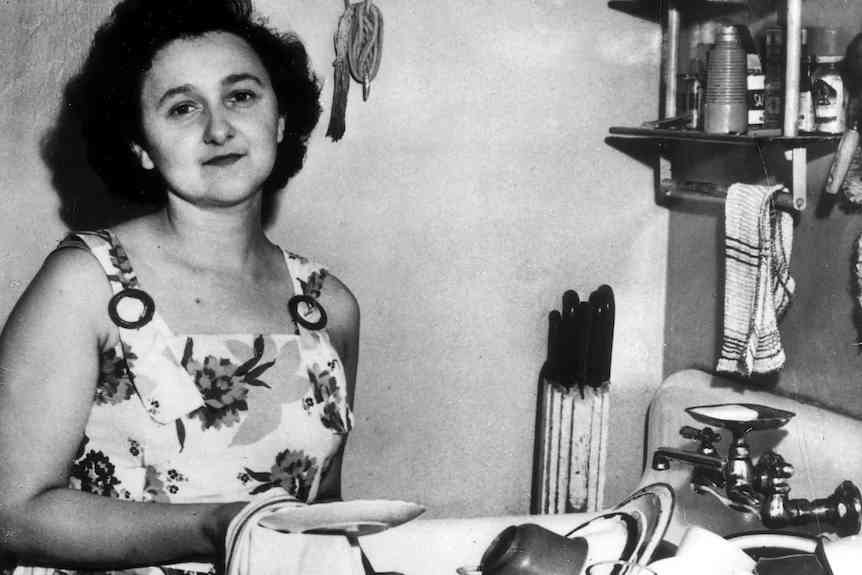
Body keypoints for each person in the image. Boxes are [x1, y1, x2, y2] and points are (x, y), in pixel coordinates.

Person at [0, 1, 359, 573]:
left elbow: (322, 508)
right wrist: (215, 527)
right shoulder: (86, 283)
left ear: (280, 119)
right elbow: (14, 514)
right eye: (183, 107)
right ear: (140, 146)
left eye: (241, 96)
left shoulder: (327, 305)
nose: (218, 129)